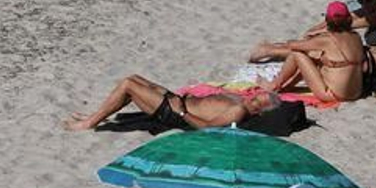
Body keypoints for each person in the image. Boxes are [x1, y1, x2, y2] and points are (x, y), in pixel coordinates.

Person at [65, 76, 278, 131]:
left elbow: (207, 128)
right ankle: (94, 117)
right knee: (135, 78)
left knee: (128, 85)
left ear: (259, 112)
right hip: (180, 101)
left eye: (257, 101)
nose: (253, 97)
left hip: (175, 113)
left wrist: (182, 112)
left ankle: (90, 122)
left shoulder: (238, 111)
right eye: (257, 95)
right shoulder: (242, 100)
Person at [257, 2, 366, 103]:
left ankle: (274, 85)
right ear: (348, 19)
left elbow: (293, 45)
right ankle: (287, 86)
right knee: (316, 58)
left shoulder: (327, 40)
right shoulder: (356, 37)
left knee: (297, 53)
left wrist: (310, 36)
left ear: (327, 20)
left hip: (334, 95)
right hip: (356, 93)